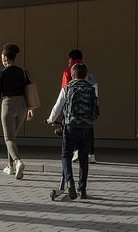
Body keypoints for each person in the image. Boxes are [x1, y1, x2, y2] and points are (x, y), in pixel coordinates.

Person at [48, 63, 99, 201]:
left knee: (66, 155)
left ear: (72, 75)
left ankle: (70, 181)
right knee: (83, 159)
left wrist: (50, 119)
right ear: (85, 75)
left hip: (70, 126)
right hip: (87, 127)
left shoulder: (68, 88)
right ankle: (82, 190)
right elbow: (95, 108)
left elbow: (58, 106)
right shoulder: (91, 89)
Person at [0, 43, 35, 179]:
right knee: (12, 138)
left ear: (5, 57)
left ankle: (17, 162)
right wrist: (30, 109)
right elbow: (29, 91)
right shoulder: (23, 72)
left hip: (8, 104)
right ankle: (10, 167)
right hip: (22, 104)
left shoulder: (0, 74)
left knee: (8, 138)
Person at [58, 48, 99, 164]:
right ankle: (91, 154)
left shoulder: (68, 71)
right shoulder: (87, 72)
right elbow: (95, 90)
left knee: (70, 129)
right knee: (89, 129)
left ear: (70, 59)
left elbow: (64, 90)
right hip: (88, 109)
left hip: (71, 108)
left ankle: (75, 150)